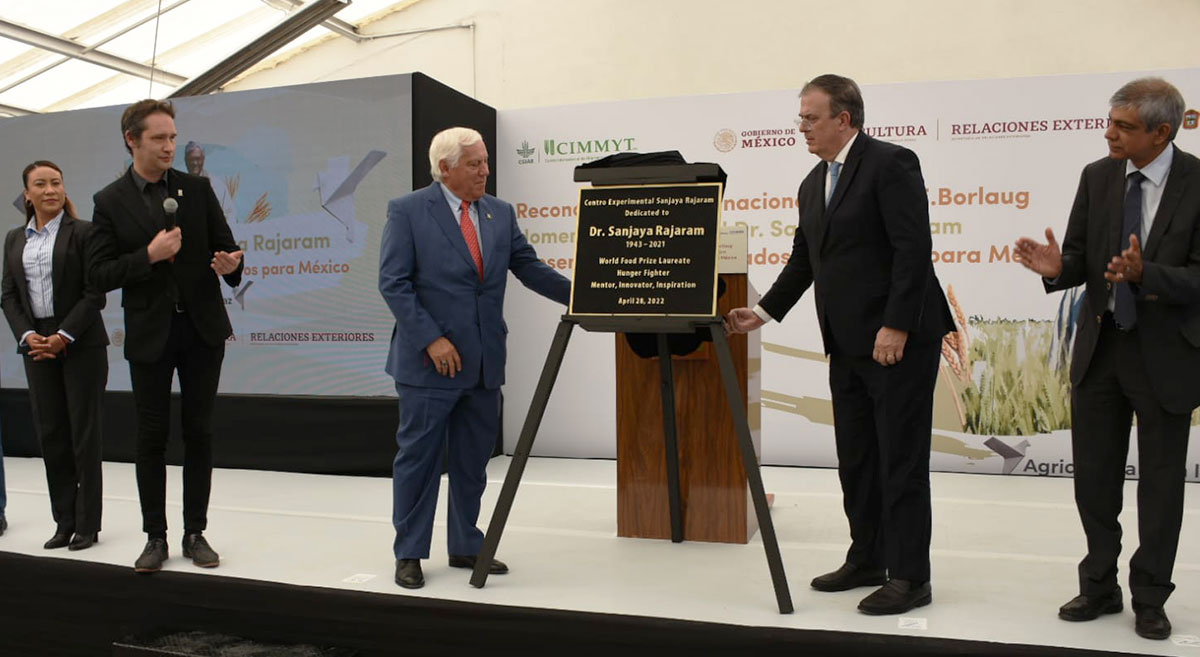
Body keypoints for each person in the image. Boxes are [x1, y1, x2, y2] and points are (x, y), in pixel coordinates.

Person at [726, 74, 954, 615]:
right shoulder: (813, 183)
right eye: (801, 117)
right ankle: (868, 557)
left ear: (843, 119)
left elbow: (912, 248)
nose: (801, 127)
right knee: (856, 458)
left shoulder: (891, 162)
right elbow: (805, 260)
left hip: (898, 340)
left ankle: (911, 577)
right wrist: (761, 312)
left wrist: (896, 324)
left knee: (899, 460)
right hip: (848, 343)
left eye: (810, 117)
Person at [1013, 77, 1198, 641]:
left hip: (1166, 355)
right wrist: (1055, 269)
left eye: (1124, 126)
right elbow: (1077, 258)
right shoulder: (1097, 176)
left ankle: (1150, 596)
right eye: (1110, 121)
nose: (1109, 133)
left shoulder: (1199, 183)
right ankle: (1098, 585)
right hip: (1101, 351)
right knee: (1094, 480)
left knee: (1160, 485)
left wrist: (1149, 276)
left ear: (1161, 132)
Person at [379, 127, 570, 589]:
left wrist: (589, 293)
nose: (486, 170)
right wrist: (431, 339)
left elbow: (528, 267)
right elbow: (394, 283)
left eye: (485, 161)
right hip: (429, 363)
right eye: (475, 164)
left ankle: (466, 542)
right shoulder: (407, 211)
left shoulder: (498, 213)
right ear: (445, 169)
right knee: (419, 460)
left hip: (484, 362)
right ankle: (409, 553)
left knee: (472, 461)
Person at [90, 100, 244, 573]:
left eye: (173, 137)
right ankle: (154, 536)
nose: (169, 146)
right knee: (151, 437)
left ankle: (194, 532)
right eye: (159, 138)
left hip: (201, 330)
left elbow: (228, 249)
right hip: (150, 333)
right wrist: (150, 255)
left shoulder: (196, 190)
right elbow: (98, 274)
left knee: (199, 431)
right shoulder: (109, 201)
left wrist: (233, 266)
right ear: (131, 140)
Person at [0, 161, 108, 551]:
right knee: (52, 435)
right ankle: (63, 520)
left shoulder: (84, 233)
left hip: (80, 341)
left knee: (84, 435)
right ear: (26, 194)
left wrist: (64, 334)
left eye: (56, 183)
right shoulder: (15, 239)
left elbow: (95, 293)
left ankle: (87, 524)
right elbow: (8, 295)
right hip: (37, 345)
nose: (50, 190)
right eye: (40, 185)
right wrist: (29, 335)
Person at [183, 141, 236, 223]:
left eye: (197, 159)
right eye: (191, 159)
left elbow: (230, 215)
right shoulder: (179, 184)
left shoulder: (217, 185)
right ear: (185, 160)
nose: (194, 163)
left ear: (203, 159)